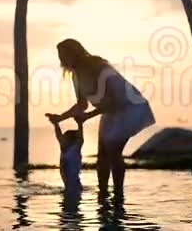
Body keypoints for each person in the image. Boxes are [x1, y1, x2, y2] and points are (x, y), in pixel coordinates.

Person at [46, 39, 155, 197]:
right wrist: (60, 118)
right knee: (102, 154)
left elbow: (112, 102)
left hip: (128, 108)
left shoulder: (97, 67)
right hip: (109, 111)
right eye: (59, 55)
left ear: (74, 52)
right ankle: (103, 193)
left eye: (64, 54)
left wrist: (87, 116)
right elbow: (82, 105)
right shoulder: (76, 75)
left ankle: (118, 194)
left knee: (113, 151)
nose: (61, 59)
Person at [47, 115, 83, 194]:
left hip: (75, 188)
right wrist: (56, 124)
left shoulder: (75, 149)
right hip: (69, 187)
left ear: (71, 140)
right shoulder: (64, 149)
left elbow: (80, 139)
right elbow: (58, 135)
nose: (62, 139)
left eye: (64, 138)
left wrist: (80, 124)